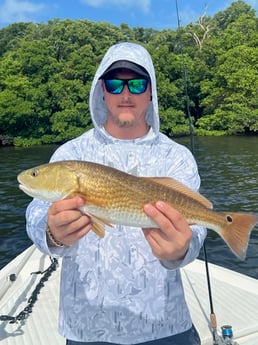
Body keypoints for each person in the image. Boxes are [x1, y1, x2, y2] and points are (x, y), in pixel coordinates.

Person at [26, 42, 206, 345]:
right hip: (86, 325)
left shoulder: (177, 157)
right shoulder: (71, 153)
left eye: (136, 84)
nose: (125, 94)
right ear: (102, 91)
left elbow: (196, 228)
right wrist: (52, 232)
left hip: (164, 324)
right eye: (115, 83)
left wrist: (181, 250)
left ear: (151, 92)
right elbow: (36, 214)